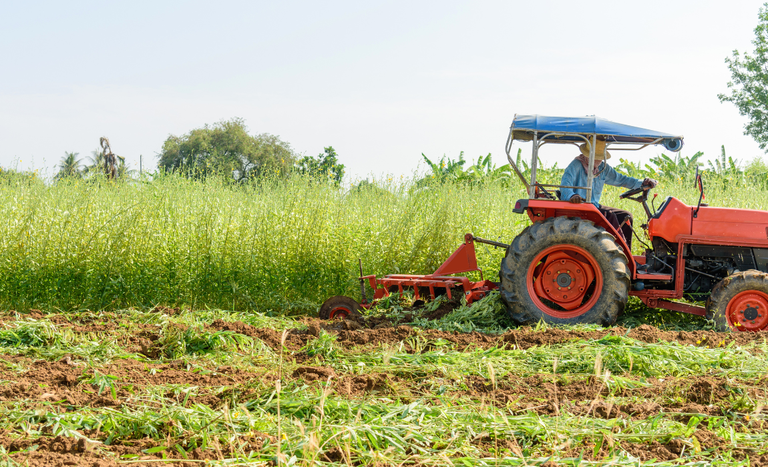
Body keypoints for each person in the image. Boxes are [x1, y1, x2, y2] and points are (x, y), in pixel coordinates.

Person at [559, 140, 657, 251]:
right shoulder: (576, 165)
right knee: (610, 216)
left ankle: (627, 253)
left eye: (601, 157)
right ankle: (618, 252)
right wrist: (572, 196)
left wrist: (643, 183)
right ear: (588, 155)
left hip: (594, 206)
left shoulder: (602, 168)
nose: (599, 160)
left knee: (626, 216)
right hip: (580, 206)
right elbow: (565, 185)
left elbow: (621, 179)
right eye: (596, 156)